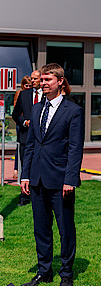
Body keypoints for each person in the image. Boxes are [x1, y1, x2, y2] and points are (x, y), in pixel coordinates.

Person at [20, 63, 84, 286]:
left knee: (65, 228)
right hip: (36, 179)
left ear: (59, 81)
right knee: (41, 228)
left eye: (48, 80)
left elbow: (76, 148)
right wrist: (25, 175)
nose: (43, 83)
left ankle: (66, 273)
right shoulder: (37, 109)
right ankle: (43, 271)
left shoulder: (73, 111)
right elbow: (31, 145)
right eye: (42, 80)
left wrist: (70, 179)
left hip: (60, 181)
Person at [12, 70, 43, 205]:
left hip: (42, 139)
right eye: (31, 78)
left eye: (35, 79)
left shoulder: (47, 96)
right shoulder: (24, 95)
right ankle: (24, 197)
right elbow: (15, 114)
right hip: (26, 137)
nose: (32, 81)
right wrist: (24, 122)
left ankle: (40, 194)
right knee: (26, 167)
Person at [13, 75, 32, 179]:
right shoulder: (20, 94)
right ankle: (17, 168)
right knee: (20, 146)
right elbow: (16, 110)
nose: (28, 87)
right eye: (26, 85)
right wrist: (23, 121)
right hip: (21, 124)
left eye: (30, 85)